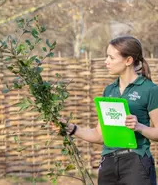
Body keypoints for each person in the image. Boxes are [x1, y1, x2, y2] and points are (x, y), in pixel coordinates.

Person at [60, 36, 158, 185]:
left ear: (128, 61)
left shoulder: (150, 90)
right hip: (108, 163)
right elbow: (100, 136)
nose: (106, 61)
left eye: (111, 57)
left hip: (137, 163)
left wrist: (139, 127)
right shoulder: (109, 90)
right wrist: (71, 129)